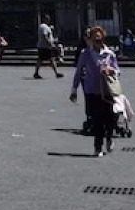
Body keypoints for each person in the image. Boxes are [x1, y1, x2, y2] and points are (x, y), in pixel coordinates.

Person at [71, 25, 121, 157]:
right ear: (90, 40)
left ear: (103, 39)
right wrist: (74, 90)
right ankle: (97, 147)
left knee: (110, 119)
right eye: (94, 40)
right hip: (92, 91)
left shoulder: (109, 54)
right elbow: (78, 72)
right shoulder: (85, 54)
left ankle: (109, 137)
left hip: (107, 90)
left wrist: (112, 71)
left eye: (99, 39)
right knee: (97, 120)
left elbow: (118, 71)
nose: (97, 42)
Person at [34, 15, 63, 79]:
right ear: (44, 19)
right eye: (47, 19)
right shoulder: (44, 27)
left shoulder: (44, 26)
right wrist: (50, 44)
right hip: (45, 47)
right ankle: (56, 73)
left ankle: (36, 73)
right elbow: (45, 36)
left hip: (43, 46)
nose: (48, 20)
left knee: (42, 59)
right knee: (51, 59)